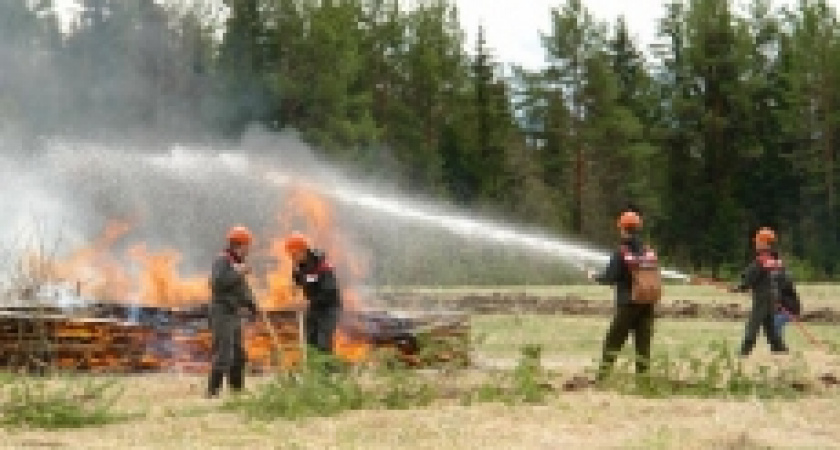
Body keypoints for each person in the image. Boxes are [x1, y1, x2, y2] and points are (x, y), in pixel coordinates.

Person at [588, 210, 660, 381]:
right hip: (647, 303)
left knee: (613, 341)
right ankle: (643, 381)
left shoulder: (621, 252)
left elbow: (610, 278)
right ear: (638, 228)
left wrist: (594, 276)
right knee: (643, 345)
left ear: (622, 229)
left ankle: (602, 378)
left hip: (628, 304)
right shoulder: (648, 251)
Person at [207, 225, 259, 398]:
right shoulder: (223, 260)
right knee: (224, 352)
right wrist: (239, 273)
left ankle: (237, 390)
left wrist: (252, 305)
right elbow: (217, 283)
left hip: (234, 312)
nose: (248, 250)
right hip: (222, 312)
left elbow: (242, 290)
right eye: (247, 246)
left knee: (238, 353)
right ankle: (212, 391)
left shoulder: (237, 263)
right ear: (239, 245)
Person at [730, 227, 789, 356]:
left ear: (765, 243)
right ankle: (779, 348)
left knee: (753, 323)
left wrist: (739, 286)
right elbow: (784, 280)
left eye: (758, 241)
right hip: (774, 297)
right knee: (769, 325)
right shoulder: (777, 261)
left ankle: (744, 351)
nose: (756, 244)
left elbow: (750, 277)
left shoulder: (760, 260)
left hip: (762, 297)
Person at [284, 233, 342, 355]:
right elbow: (303, 280)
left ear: (303, 251)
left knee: (323, 342)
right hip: (314, 307)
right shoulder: (301, 265)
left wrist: (309, 302)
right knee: (310, 340)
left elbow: (329, 292)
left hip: (329, 309)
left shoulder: (323, 267)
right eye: (291, 255)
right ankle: (313, 369)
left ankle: (326, 372)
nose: (292, 258)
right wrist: (295, 277)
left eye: (294, 254)